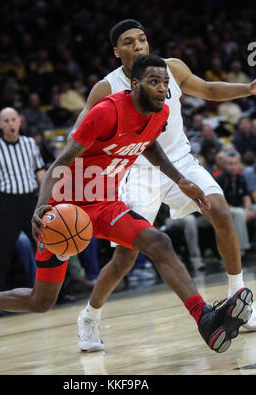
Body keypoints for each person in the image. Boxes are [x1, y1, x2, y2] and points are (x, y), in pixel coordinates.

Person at [0, 55, 253, 353]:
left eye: (165, 83)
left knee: (158, 241)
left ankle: (204, 317)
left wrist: (179, 179)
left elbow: (149, 145)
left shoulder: (160, 113)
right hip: (65, 210)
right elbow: (60, 163)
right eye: (154, 82)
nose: (162, 89)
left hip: (105, 204)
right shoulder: (106, 112)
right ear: (135, 84)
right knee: (41, 301)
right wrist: (41, 206)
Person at [73, 19, 256, 351]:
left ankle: (237, 296)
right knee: (125, 259)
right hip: (135, 172)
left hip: (181, 162)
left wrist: (247, 89)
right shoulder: (106, 87)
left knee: (221, 211)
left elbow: (209, 89)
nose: (139, 46)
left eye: (142, 39)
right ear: (117, 52)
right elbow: (80, 135)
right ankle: (89, 317)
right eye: (129, 42)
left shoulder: (171, 68)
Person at [0, 107, 46, 291]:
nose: (10, 124)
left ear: (20, 121)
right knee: (2, 251)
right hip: (7, 203)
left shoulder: (29, 144)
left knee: (45, 245)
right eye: (6, 121)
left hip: (30, 201)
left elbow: (40, 173)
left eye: (13, 119)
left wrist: (48, 199)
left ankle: (55, 291)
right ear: (0, 124)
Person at [216, 152, 255, 255]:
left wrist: (247, 209)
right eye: (230, 164)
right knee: (239, 213)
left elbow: (246, 196)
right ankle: (242, 250)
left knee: (252, 209)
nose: (233, 167)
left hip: (241, 208)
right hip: (225, 209)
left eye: (235, 163)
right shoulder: (220, 179)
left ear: (239, 164)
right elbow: (220, 202)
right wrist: (243, 211)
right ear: (224, 165)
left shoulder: (240, 178)